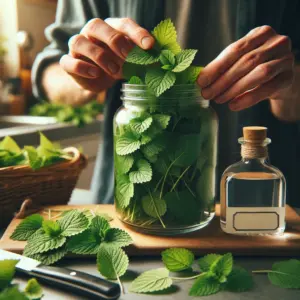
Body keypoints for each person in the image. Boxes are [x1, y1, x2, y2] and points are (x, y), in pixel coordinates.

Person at [32, 0, 300, 207]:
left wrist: (289, 84)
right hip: (132, 203)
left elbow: (291, 102)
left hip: (267, 208)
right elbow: (50, 65)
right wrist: (83, 72)